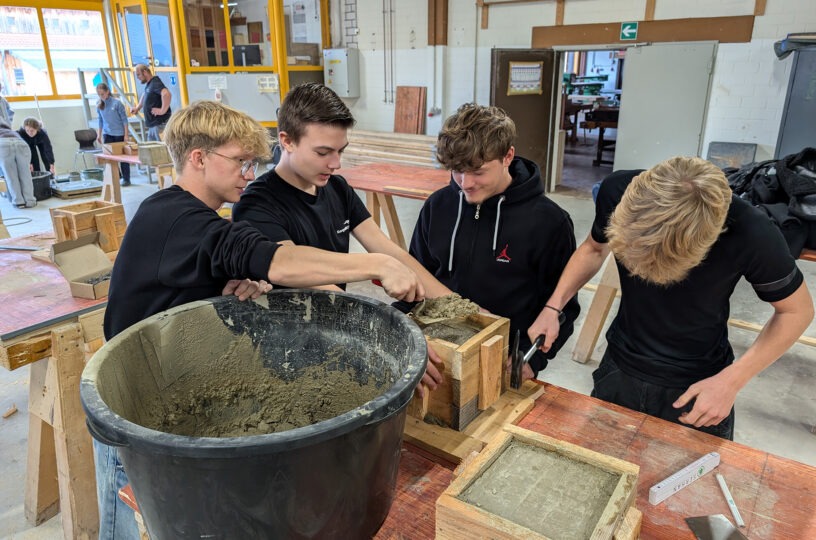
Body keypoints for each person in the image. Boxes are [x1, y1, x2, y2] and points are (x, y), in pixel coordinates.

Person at [98, 100, 426, 540]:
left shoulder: (190, 218)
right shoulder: (172, 217)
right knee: (133, 522)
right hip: (138, 425)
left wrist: (239, 283)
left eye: (253, 163)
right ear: (198, 158)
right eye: (239, 162)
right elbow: (276, 259)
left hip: (176, 395)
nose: (249, 174)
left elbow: (224, 267)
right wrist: (375, 265)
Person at [528, 157, 814, 439]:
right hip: (619, 366)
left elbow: (796, 311)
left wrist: (732, 381)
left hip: (698, 383)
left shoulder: (751, 231)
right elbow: (593, 249)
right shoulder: (618, 190)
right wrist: (553, 306)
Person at [408, 103, 580, 383]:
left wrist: (531, 360)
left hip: (501, 361)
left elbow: (563, 307)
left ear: (507, 156)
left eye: (478, 171)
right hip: (435, 353)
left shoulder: (549, 222)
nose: (465, 183)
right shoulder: (437, 206)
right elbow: (416, 276)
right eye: (456, 170)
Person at [233, 83, 452, 299]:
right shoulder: (255, 204)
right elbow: (292, 267)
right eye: (323, 152)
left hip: (337, 320)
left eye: (340, 151)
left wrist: (460, 307)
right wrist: (377, 268)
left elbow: (389, 250)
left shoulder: (338, 188)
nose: (336, 164)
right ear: (287, 141)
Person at [96, 82, 131, 186]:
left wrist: (126, 134)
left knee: (123, 158)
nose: (101, 97)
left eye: (102, 94)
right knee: (109, 157)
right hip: (108, 134)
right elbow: (100, 120)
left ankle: (126, 178)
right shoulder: (99, 105)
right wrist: (99, 134)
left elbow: (124, 120)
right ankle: (116, 176)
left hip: (119, 134)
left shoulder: (117, 104)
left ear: (107, 92)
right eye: (99, 95)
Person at [129, 64, 171, 141]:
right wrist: (138, 108)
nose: (138, 78)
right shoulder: (150, 84)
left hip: (159, 125)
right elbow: (145, 94)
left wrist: (162, 110)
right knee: (151, 150)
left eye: (138, 74)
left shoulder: (155, 82)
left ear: (145, 72)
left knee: (161, 150)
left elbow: (166, 94)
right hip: (153, 126)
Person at [0, 119, 36, 208]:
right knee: (26, 174)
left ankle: (18, 202)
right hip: (20, 141)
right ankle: (30, 201)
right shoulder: (3, 120)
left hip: (2, 143)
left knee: (11, 176)